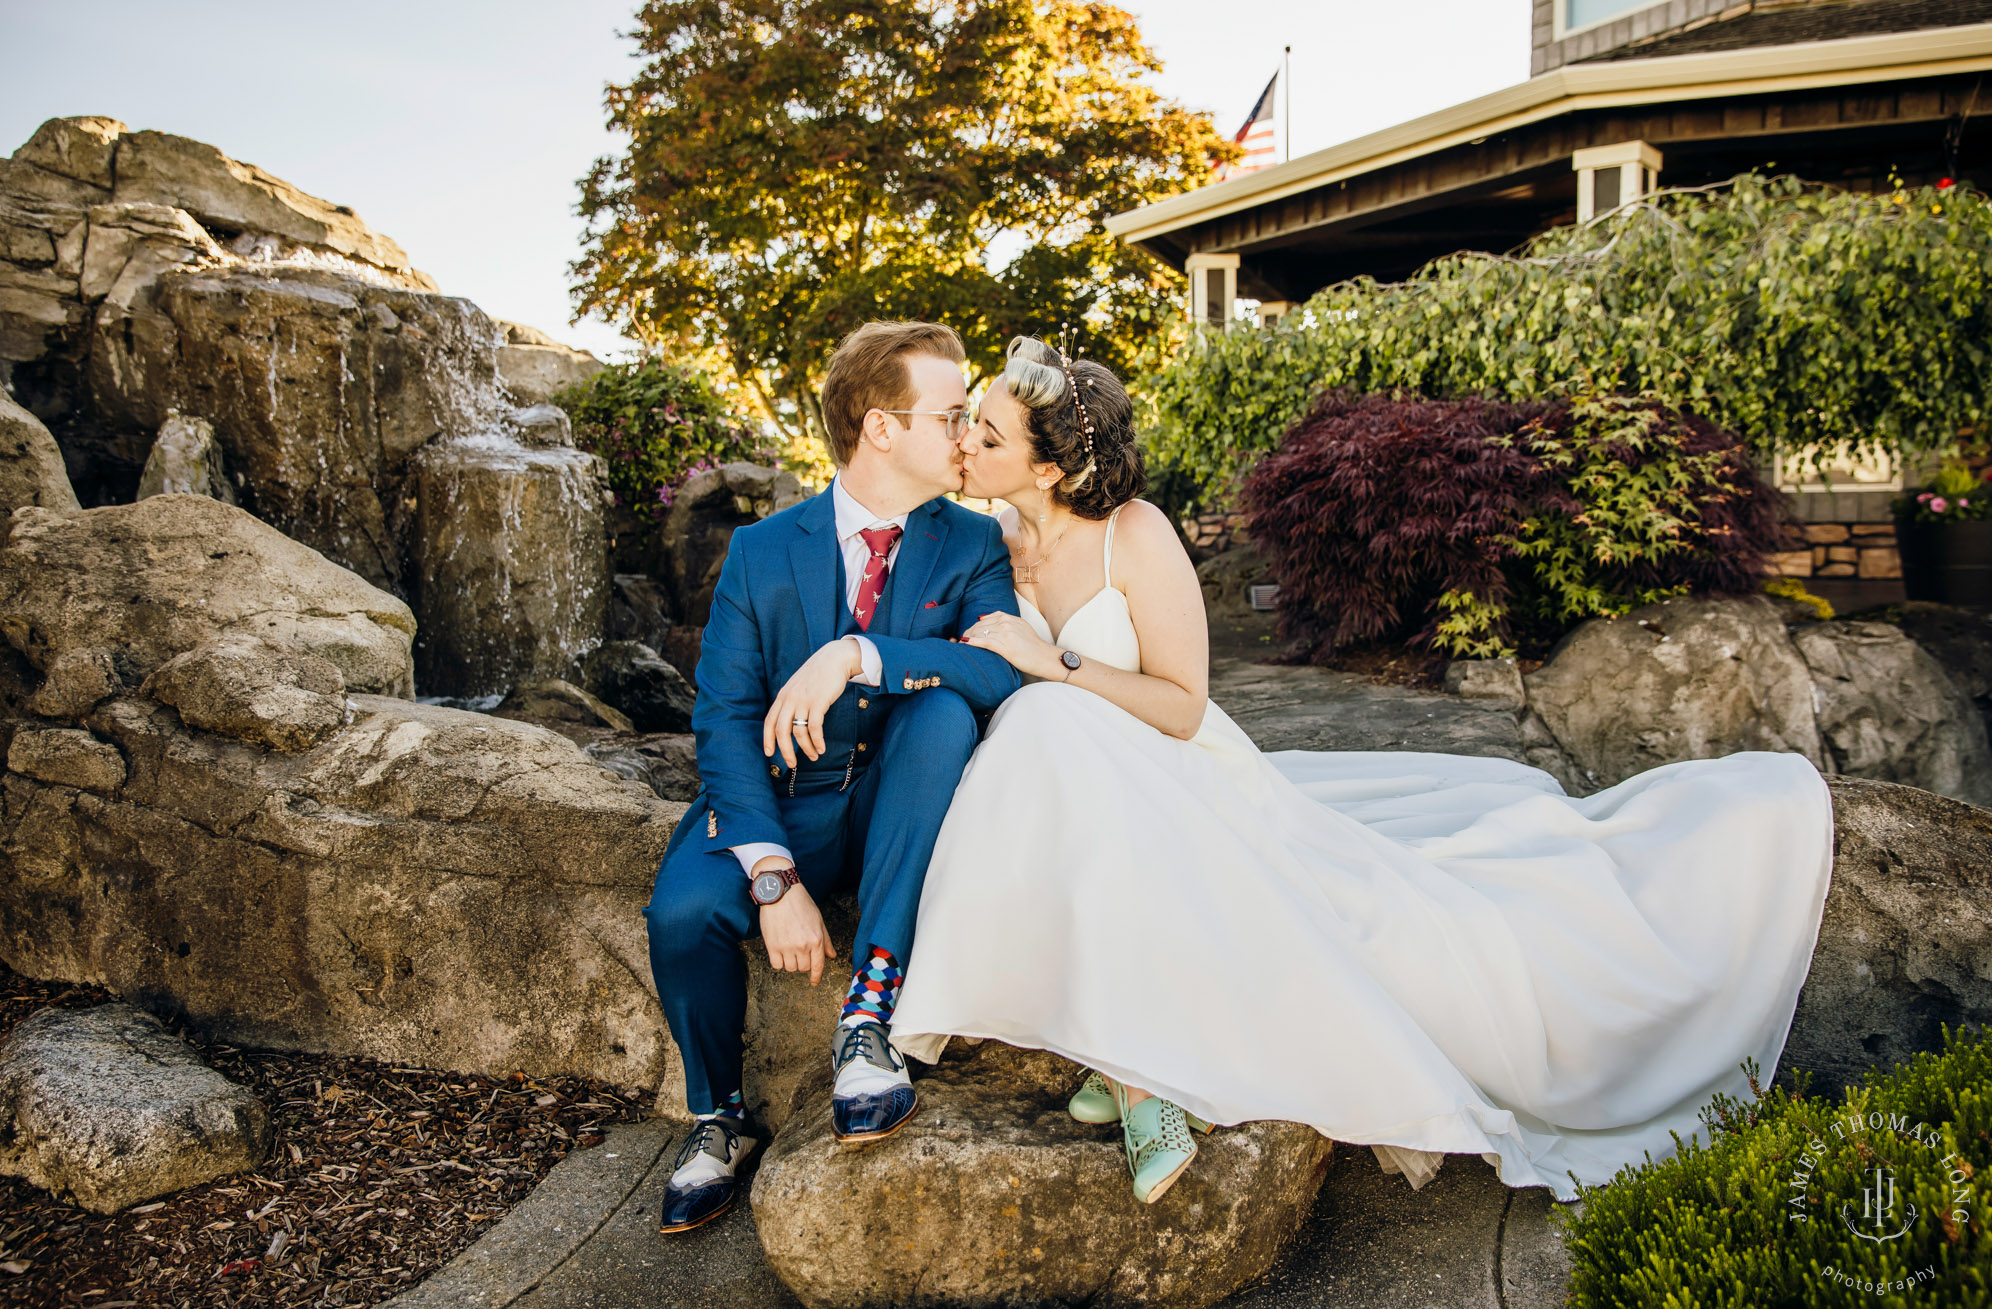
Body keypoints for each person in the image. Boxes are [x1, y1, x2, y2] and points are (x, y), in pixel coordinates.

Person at [888, 336, 1834, 1206]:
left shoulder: (1134, 533)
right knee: (1042, 729)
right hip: (1088, 786)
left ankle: (1143, 1076)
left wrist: (1053, 660)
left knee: (1054, 711)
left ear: (1048, 466)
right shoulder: (989, 548)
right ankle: (1126, 1062)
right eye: (969, 421)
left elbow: (1181, 706)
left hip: (1184, 775)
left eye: (987, 429)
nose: (965, 438)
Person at [642, 321, 1023, 1233]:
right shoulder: (762, 549)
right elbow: (724, 716)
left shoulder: (971, 543)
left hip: (905, 794)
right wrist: (773, 875)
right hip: (784, 800)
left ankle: (871, 1015)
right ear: (880, 427)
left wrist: (860, 653)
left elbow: (1001, 667)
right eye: (952, 414)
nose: (967, 433)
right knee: (682, 913)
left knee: (939, 713)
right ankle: (718, 1117)